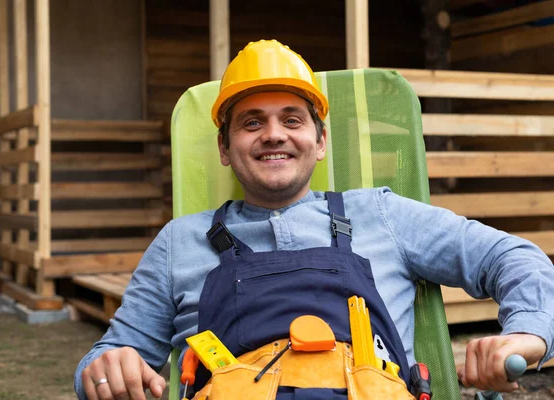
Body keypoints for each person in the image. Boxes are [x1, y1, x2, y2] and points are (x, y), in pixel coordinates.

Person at [75, 40, 554, 400]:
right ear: (225, 148)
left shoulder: (381, 213)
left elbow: (513, 258)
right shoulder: (180, 241)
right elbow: (107, 358)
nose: (273, 135)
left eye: (291, 119)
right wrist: (107, 370)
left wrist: (527, 331)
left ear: (320, 142)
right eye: (251, 122)